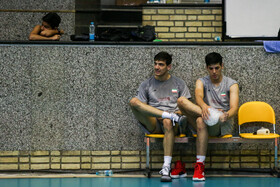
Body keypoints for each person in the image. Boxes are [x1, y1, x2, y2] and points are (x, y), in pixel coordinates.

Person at [129, 51, 191, 182]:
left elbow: (186, 109)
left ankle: (166, 167)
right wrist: (160, 115)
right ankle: (167, 115)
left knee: (168, 121)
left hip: (174, 123)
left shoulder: (179, 83)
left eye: (161, 64)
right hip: (154, 122)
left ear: (169, 67)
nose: (157, 67)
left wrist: (174, 115)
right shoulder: (146, 84)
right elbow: (142, 108)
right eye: (155, 64)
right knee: (134, 102)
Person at [177, 52, 239, 181]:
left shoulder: (232, 84)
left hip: (222, 123)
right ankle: (199, 167)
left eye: (217, 68)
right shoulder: (202, 81)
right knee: (182, 101)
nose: (214, 71)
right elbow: (198, 95)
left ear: (222, 66)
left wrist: (226, 115)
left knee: (201, 120)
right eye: (211, 68)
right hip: (205, 117)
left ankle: (199, 166)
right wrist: (204, 107)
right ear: (207, 68)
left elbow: (234, 108)